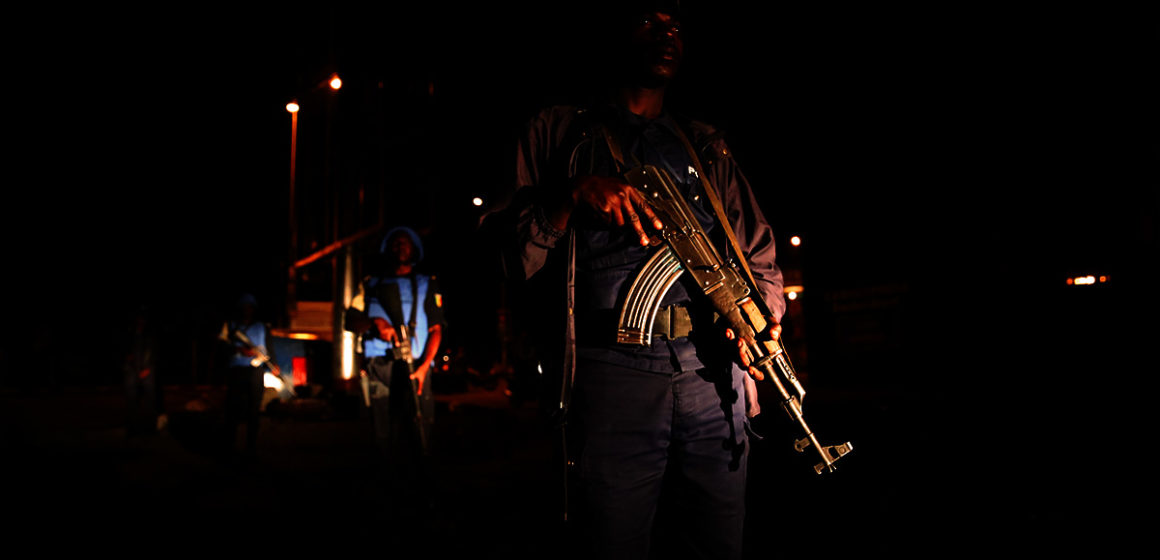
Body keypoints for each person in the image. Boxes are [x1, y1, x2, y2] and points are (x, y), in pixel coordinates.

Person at [480, 5, 785, 559]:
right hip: (611, 376)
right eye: (650, 22)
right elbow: (504, 257)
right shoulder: (558, 131)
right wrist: (571, 196)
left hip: (712, 373)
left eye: (676, 27)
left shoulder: (703, 145)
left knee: (718, 548)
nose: (667, 36)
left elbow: (760, 251)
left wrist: (759, 324)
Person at [346, 226, 445, 473]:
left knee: (420, 433)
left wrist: (424, 368)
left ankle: (421, 484)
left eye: (405, 243)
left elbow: (436, 329)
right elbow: (350, 321)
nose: (399, 247)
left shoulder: (426, 284)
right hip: (379, 367)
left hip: (416, 368)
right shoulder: (369, 285)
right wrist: (374, 323)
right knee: (382, 433)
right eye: (395, 243)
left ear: (414, 249)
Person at [217, 293, 276, 456]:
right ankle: (229, 445)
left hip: (255, 371)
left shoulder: (261, 327)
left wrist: (274, 364)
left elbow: (269, 346)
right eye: (244, 307)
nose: (247, 310)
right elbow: (221, 345)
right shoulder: (230, 325)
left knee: (254, 409)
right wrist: (239, 350)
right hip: (236, 370)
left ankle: (251, 447)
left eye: (250, 307)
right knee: (233, 408)